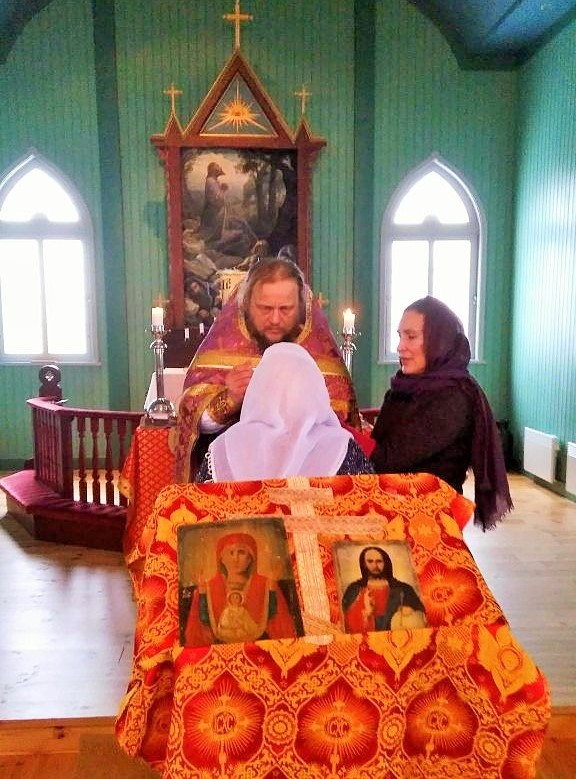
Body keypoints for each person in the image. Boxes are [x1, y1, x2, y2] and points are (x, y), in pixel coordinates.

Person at [173, 256, 361, 481]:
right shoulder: (223, 348)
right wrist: (228, 399)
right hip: (239, 484)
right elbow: (190, 419)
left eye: (286, 309)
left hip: (316, 487)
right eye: (265, 308)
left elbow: (344, 428)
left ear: (302, 307)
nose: (275, 319)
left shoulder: (322, 356)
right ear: (246, 304)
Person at [369, 296, 513, 530]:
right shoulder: (405, 386)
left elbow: (386, 460)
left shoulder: (453, 396)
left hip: (430, 519)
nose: (400, 346)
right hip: (395, 506)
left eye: (411, 336)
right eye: (400, 336)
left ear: (439, 342)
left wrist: (345, 441)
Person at [195, 342, 375, 482]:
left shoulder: (224, 447)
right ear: (314, 390)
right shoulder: (341, 446)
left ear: (260, 389)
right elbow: (369, 504)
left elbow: (201, 509)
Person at [183, 532, 297, 646]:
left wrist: (271, 588)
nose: (235, 558)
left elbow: (275, 620)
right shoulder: (208, 587)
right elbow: (203, 622)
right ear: (221, 558)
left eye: (241, 552)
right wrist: (202, 593)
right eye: (231, 553)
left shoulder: (266, 584)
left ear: (250, 558)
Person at [342, 546, 426, 633]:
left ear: (386, 563)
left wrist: (410, 610)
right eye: (370, 561)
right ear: (364, 564)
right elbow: (345, 622)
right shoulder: (354, 590)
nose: (375, 565)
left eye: (379, 561)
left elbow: (422, 615)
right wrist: (366, 613)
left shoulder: (403, 589)